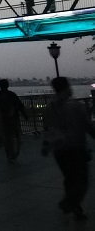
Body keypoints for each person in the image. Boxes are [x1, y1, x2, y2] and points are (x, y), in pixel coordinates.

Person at [42, 76, 95, 221]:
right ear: (66, 88)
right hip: (75, 148)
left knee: (69, 178)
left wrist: (46, 145)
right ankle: (69, 203)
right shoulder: (76, 106)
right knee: (82, 180)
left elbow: (47, 129)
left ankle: (75, 207)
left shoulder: (49, 107)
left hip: (59, 150)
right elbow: (88, 126)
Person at [0, 79, 29, 162]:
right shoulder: (12, 94)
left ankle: (9, 154)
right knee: (17, 136)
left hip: (4, 119)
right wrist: (25, 116)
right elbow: (20, 105)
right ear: (8, 85)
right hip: (14, 118)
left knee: (7, 137)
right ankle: (16, 153)